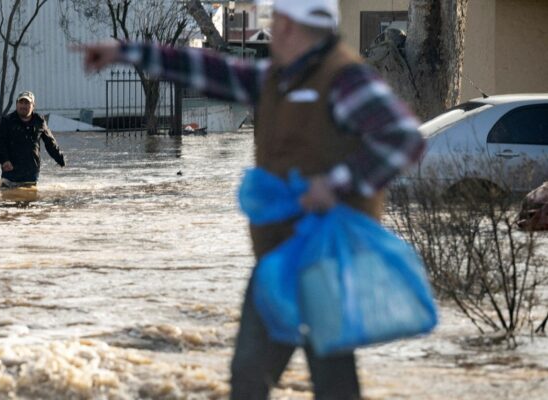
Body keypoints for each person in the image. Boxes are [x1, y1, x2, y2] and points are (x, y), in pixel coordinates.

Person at [74, 0, 425, 398]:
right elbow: (212, 71)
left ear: (291, 25)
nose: (271, 30)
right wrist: (125, 51)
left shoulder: (345, 80)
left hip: (327, 261)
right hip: (278, 259)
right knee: (249, 376)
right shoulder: (276, 79)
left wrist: (337, 184)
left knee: (332, 383)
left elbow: (404, 137)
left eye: (276, 21)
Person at [0, 91, 66, 187]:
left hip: (31, 173)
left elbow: (50, 143)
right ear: (16, 104)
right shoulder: (7, 121)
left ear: (33, 105)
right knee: (8, 200)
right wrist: (4, 160)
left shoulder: (39, 121)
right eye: (21, 102)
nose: (23, 106)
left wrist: (60, 159)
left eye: (27, 103)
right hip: (10, 173)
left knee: (30, 200)